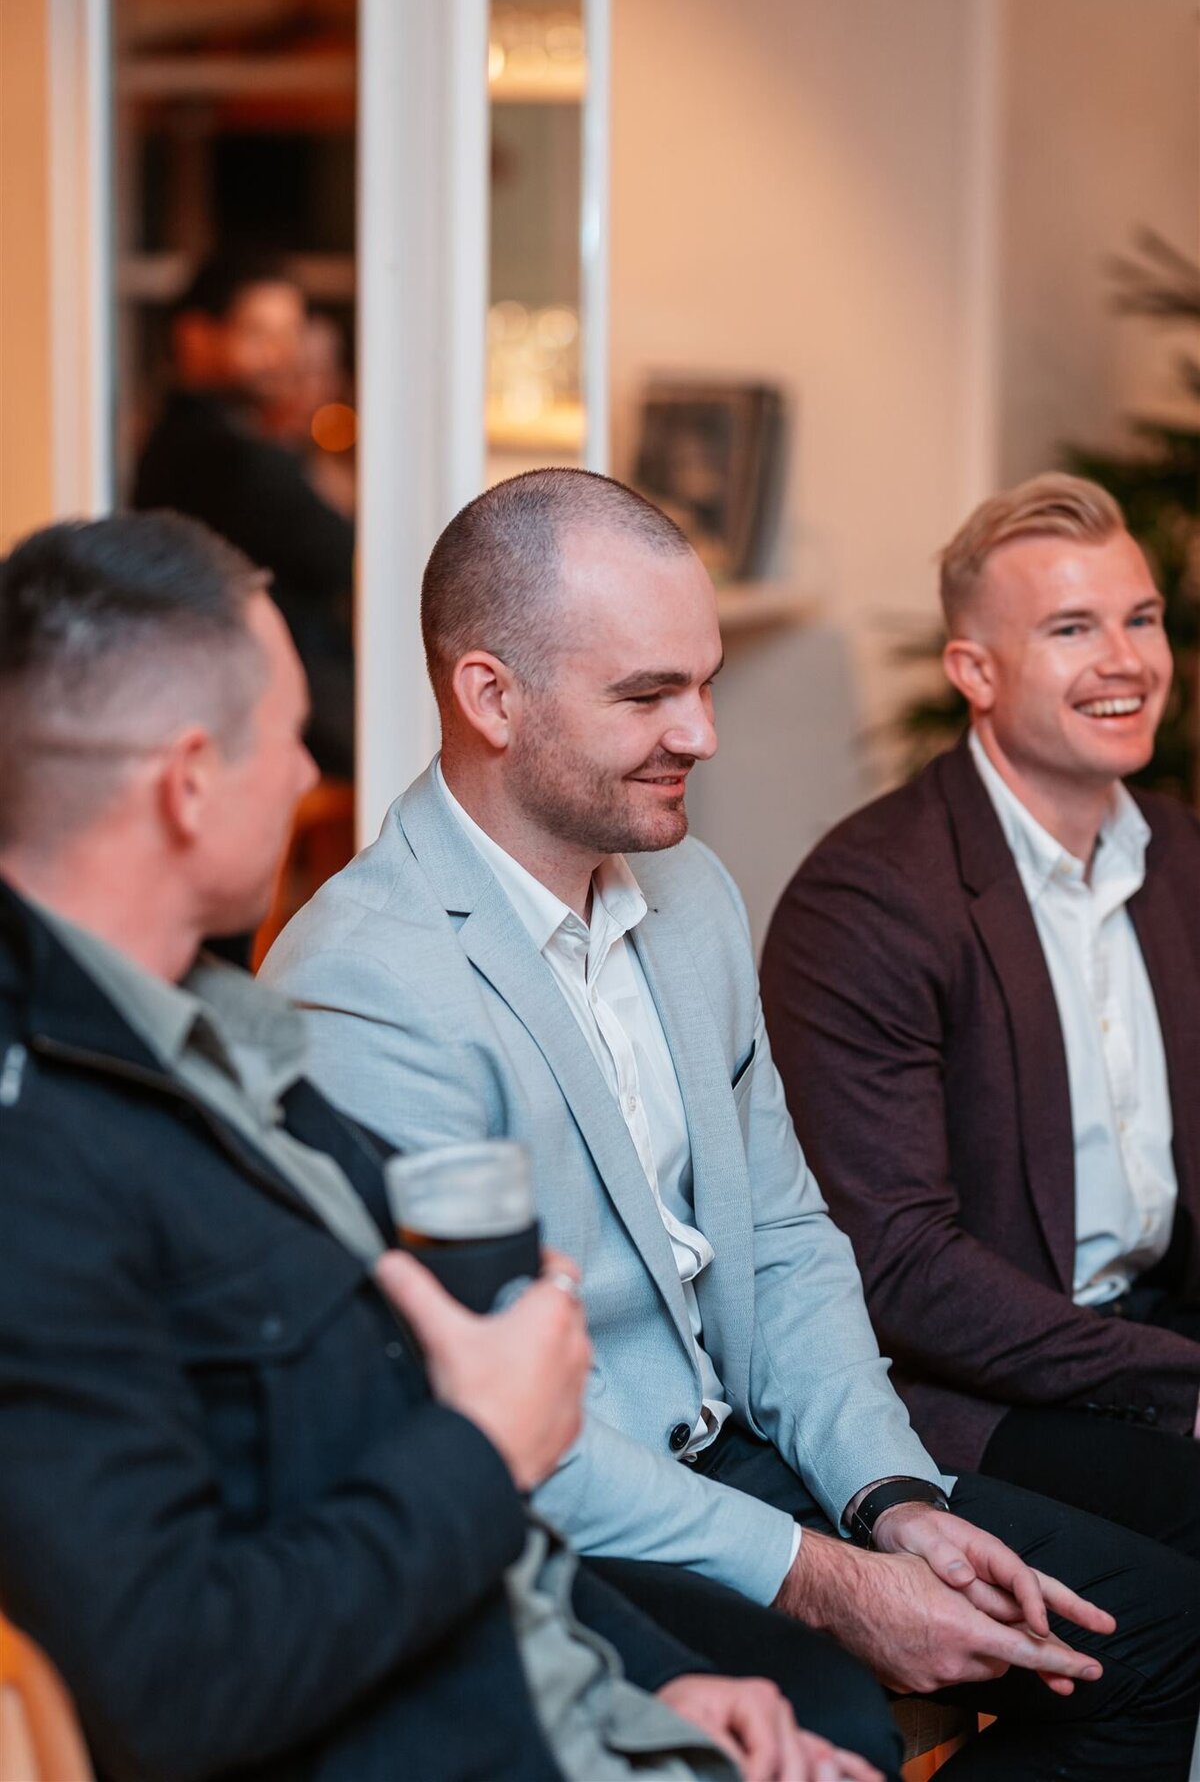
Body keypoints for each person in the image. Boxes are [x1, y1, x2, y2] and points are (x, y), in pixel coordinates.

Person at [263, 466, 1200, 1780]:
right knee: (835, 1729)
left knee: (1151, 1639)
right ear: (490, 696)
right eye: (649, 695)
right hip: (571, 1521)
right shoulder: (370, 984)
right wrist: (825, 1578)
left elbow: (786, 1240)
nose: (704, 733)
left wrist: (892, 1498)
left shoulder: (691, 892)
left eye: (700, 683)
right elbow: (479, 1426)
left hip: (764, 1457)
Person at [0, 510, 879, 1782]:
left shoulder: (228, 1051)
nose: (313, 773)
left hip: (553, 1691)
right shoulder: (44, 1166)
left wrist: (651, 1682)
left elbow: (440, 1498)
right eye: (292, 736)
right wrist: (485, 1443)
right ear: (188, 782)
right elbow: (180, 1681)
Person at [761, 472, 1200, 1561]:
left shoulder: (1184, 855)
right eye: (1071, 628)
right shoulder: (869, 897)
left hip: (1156, 1324)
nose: (1127, 662)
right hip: (972, 1387)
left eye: (1140, 619)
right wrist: (1180, 1386)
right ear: (974, 671)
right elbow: (899, 1265)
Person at [133, 252, 354, 779]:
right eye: (260, 333)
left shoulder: (183, 439)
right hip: (270, 716)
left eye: (290, 334)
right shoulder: (229, 456)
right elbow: (342, 553)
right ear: (195, 337)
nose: (283, 355)